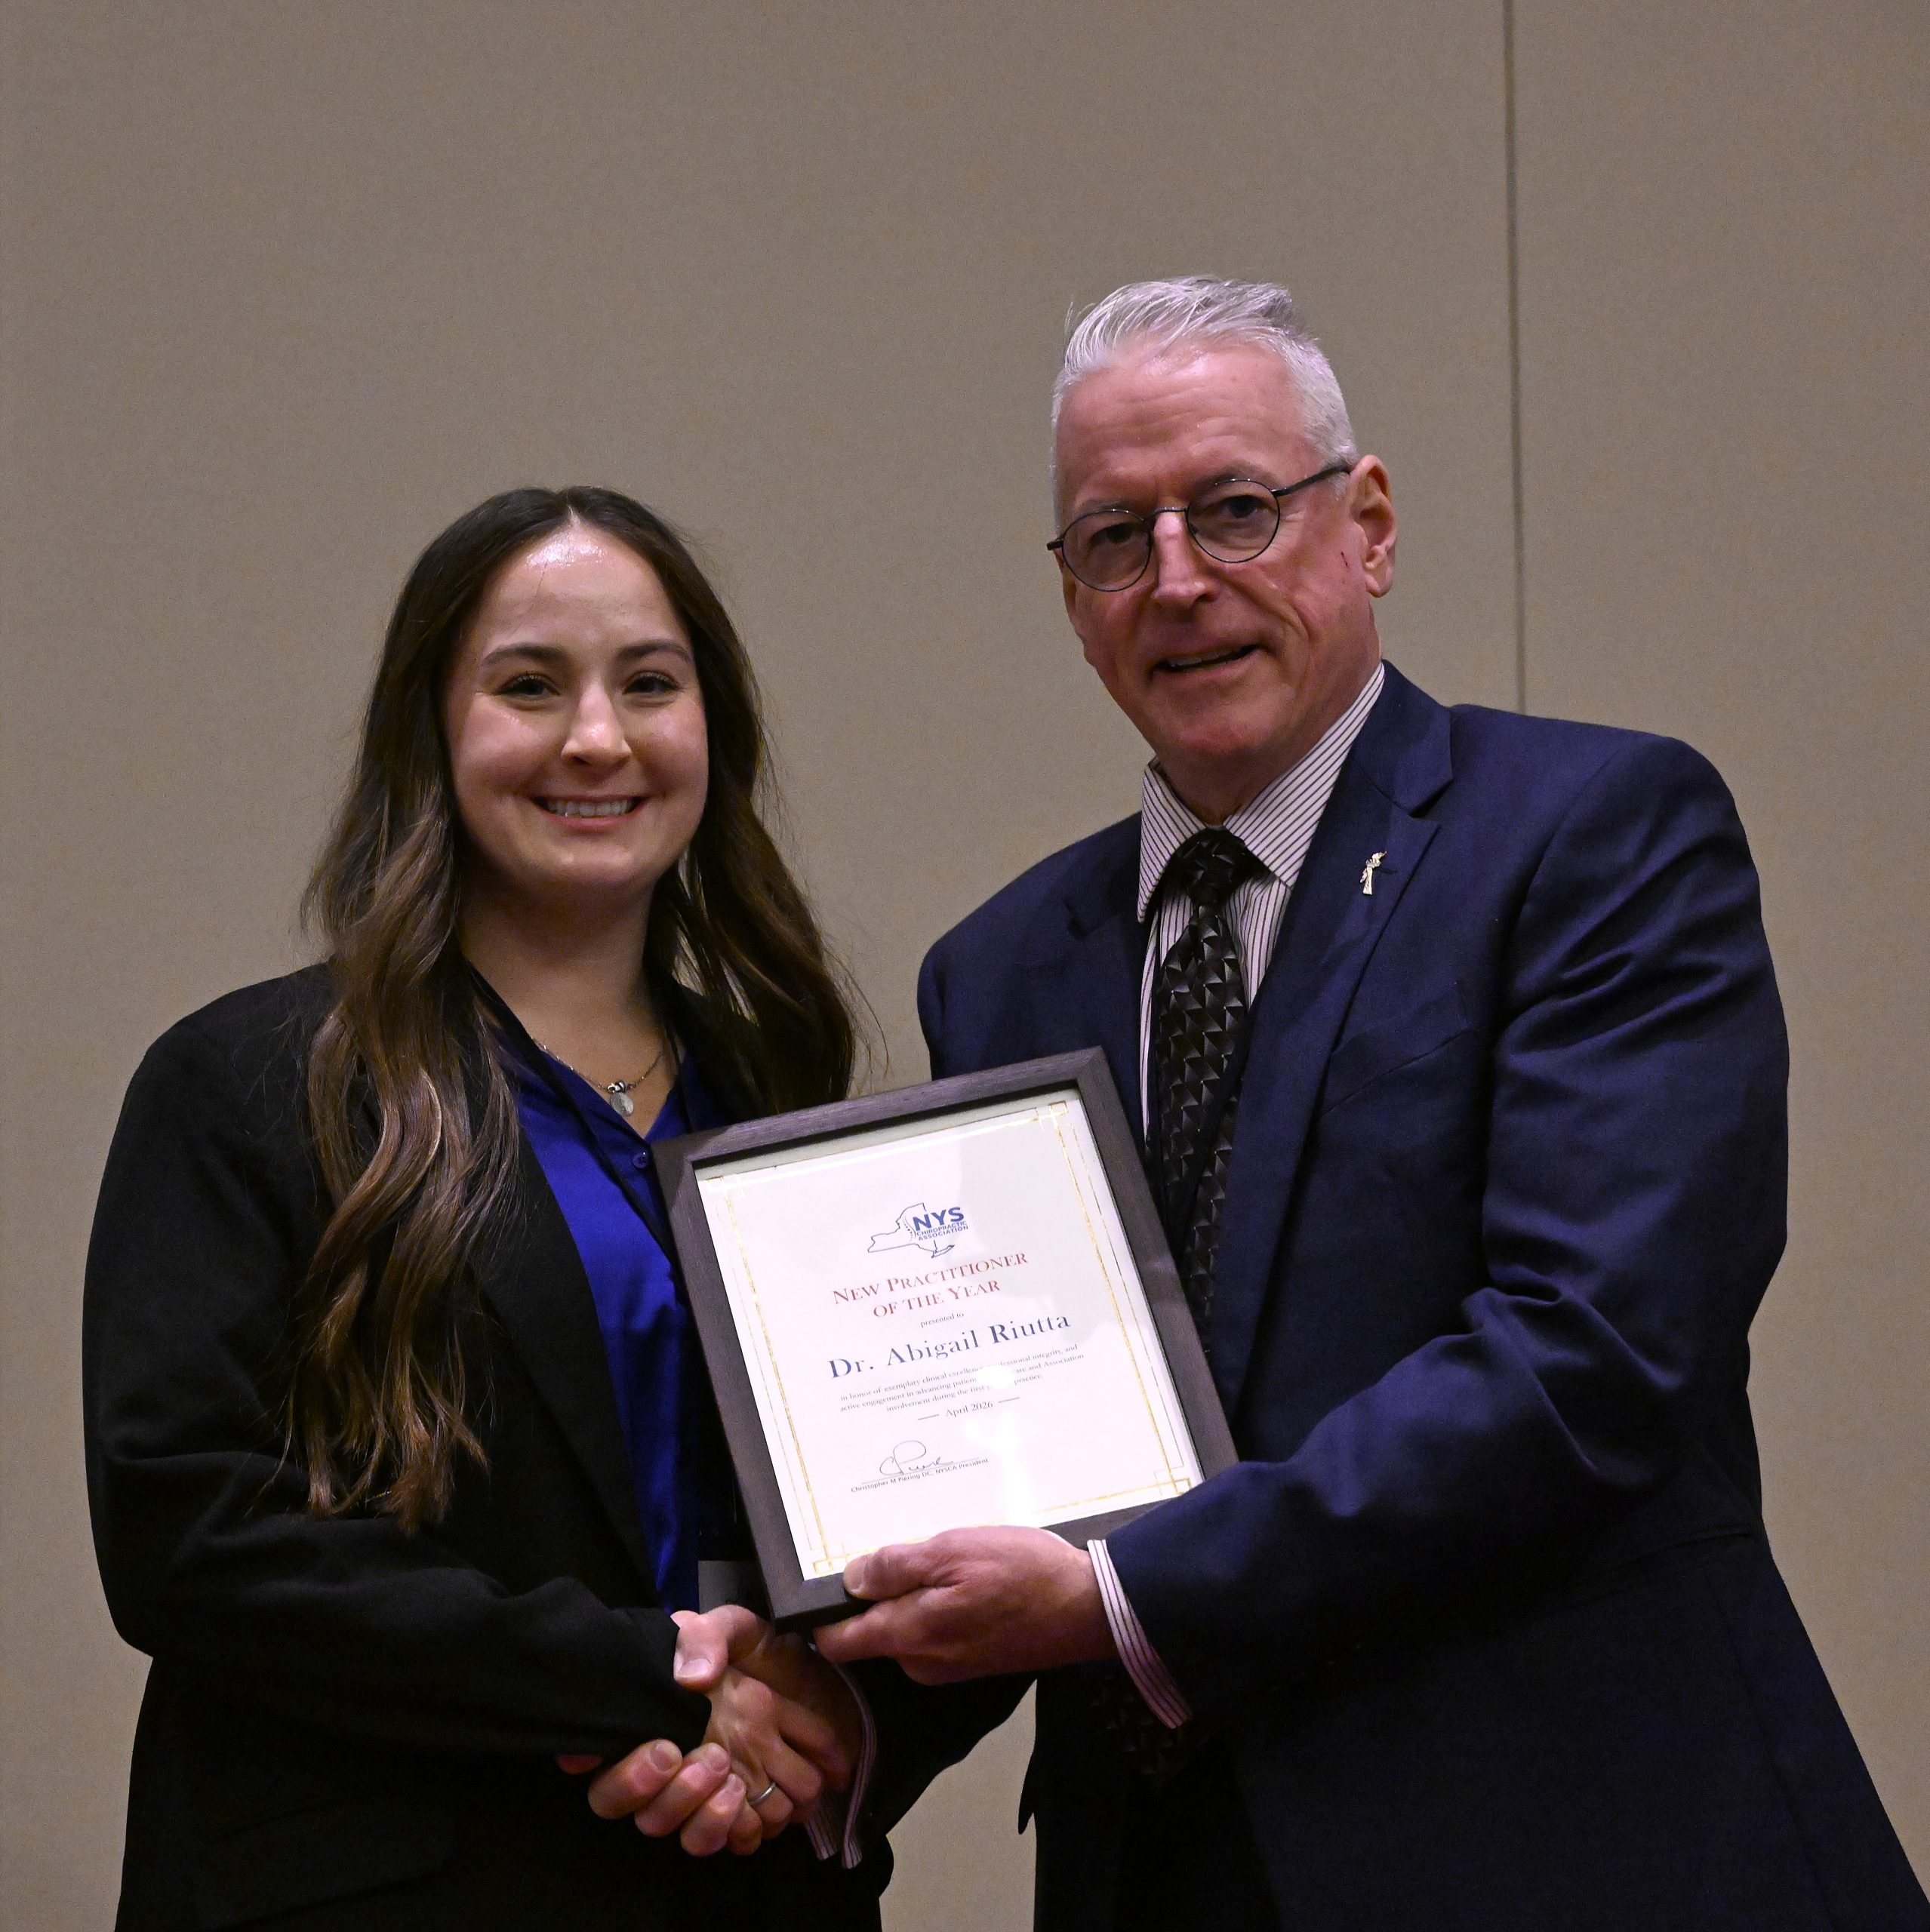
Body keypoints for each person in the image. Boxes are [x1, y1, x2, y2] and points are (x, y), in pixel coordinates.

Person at [807, 279, 1930, 1930]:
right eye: (1114, 537)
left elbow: (1592, 1354)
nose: (1177, 579)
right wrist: (826, 1705)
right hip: (1163, 1873)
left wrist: (1125, 1592)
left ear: (1371, 523)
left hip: (1579, 1842)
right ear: (1069, 595)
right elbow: (1028, 1459)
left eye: (1237, 509)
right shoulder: (1000, 968)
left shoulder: (1591, 835)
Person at [84, 487, 889, 1930]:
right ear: (433, 733)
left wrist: (811, 1728)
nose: (598, 737)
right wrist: (646, 1679)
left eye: (651, 683)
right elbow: (191, 1538)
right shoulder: (254, 1085)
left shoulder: (784, 1090)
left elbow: (896, 1506)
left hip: (738, 1885)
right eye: (529, 686)